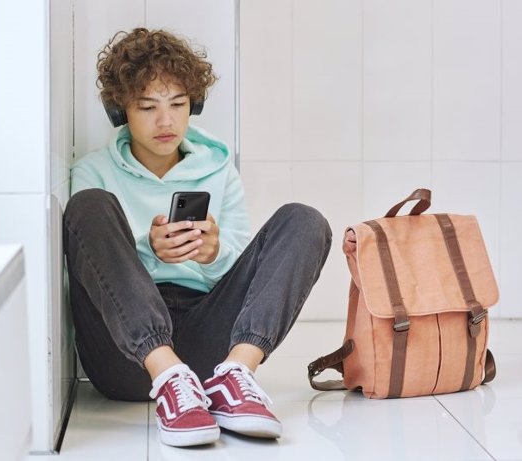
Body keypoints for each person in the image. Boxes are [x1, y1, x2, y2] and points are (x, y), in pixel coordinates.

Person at [62, 27, 332, 448]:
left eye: (178, 104)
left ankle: (236, 375)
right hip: (126, 359)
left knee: (305, 220)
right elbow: (95, 269)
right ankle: (168, 375)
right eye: (147, 106)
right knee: (89, 206)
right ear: (120, 112)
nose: (166, 121)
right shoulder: (93, 171)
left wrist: (213, 254)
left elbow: (249, 274)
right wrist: (148, 252)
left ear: (195, 104)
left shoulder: (219, 169)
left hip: (208, 346)